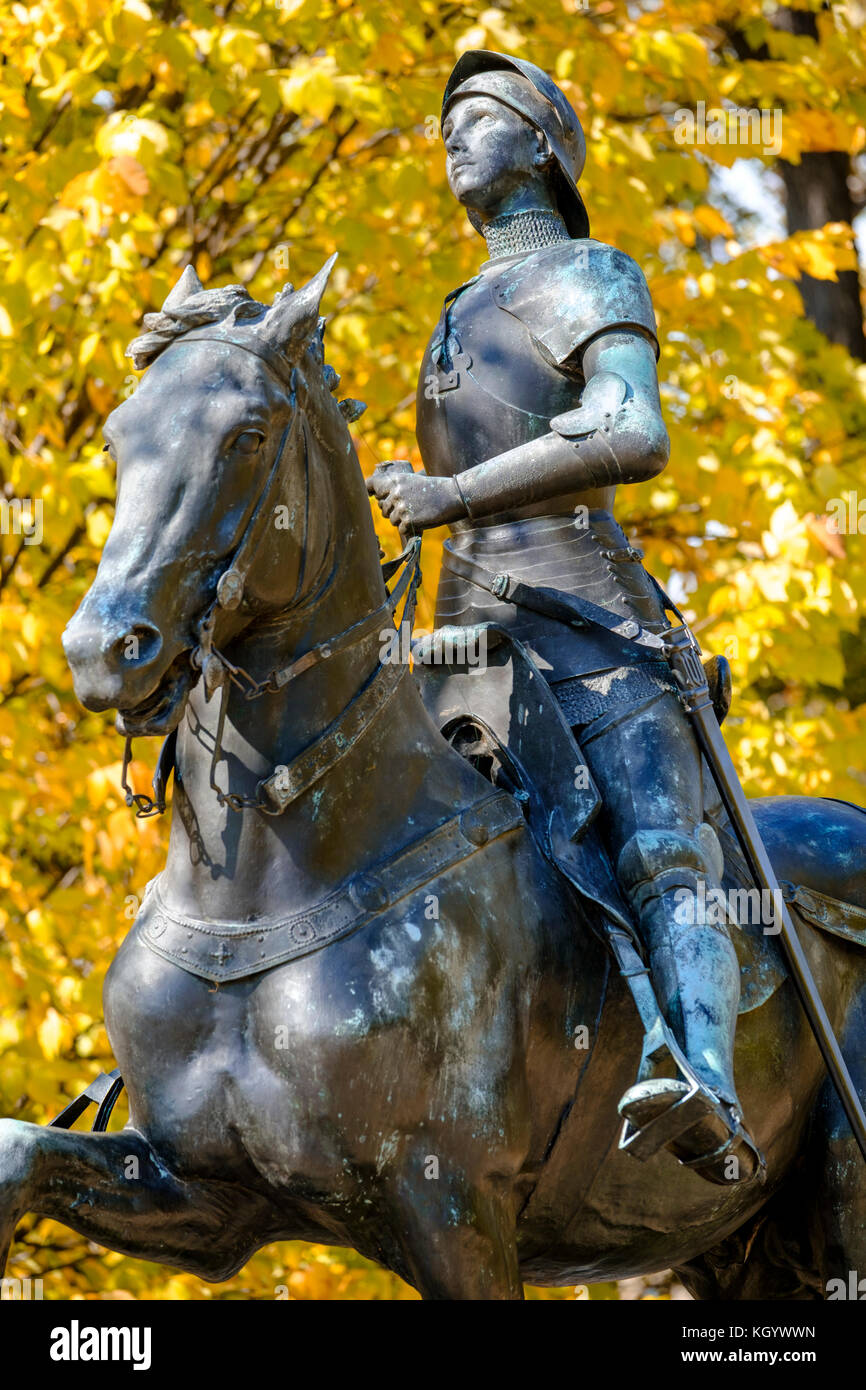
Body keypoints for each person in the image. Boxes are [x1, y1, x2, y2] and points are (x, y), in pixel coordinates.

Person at [367, 50, 761, 1185]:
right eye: (444, 118)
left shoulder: (590, 271)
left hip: (588, 630)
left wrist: (447, 495)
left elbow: (630, 430)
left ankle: (706, 1086)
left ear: (541, 144)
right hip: (457, 647)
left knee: (658, 854)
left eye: (476, 116)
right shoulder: (453, 312)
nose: (450, 133)